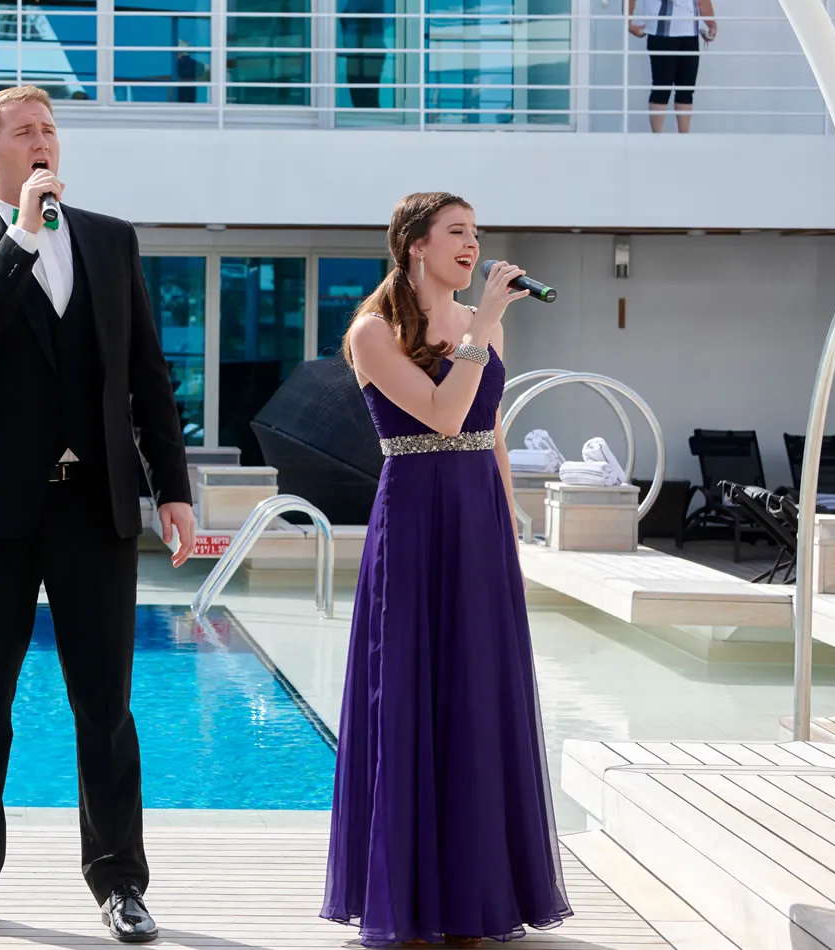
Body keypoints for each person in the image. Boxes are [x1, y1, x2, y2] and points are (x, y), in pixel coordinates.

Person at [0, 84, 196, 944]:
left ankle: (120, 884)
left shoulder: (111, 240)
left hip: (95, 507)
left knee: (105, 707)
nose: (43, 141)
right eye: (24, 131)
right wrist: (24, 237)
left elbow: (147, 374)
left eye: (50, 129)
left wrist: (172, 488)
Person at [322, 192, 573, 947]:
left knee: (476, 696)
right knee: (409, 692)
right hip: (414, 519)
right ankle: (410, 898)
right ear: (416, 245)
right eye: (456, 232)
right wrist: (485, 323)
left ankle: (479, 892)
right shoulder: (372, 330)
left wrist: (510, 526)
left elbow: (488, 431)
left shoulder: (478, 322)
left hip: (477, 522)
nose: (472, 245)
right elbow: (441, 414)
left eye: (476, 233)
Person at [629, 0, 717, 133]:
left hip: (690, 33)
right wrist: (628, 22)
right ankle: (657, 138)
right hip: (661, 33)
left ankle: (684, 137)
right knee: (662, 87)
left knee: (686, 89)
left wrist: (711, 23)